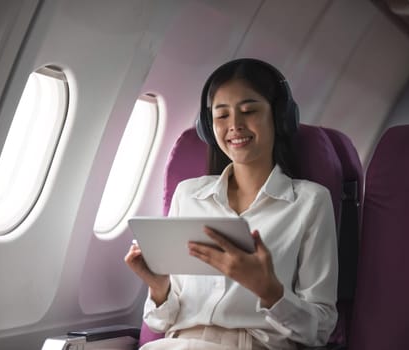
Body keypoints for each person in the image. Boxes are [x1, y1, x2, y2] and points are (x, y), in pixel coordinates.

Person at [125, 58, 338, 350]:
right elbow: (159, 323)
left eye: (249, 111)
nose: (235, 126)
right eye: (221, 116)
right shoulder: (188, 195)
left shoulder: (310, 202)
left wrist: (270, 292)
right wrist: (159, 287)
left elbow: (320, 329)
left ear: (279, 117)